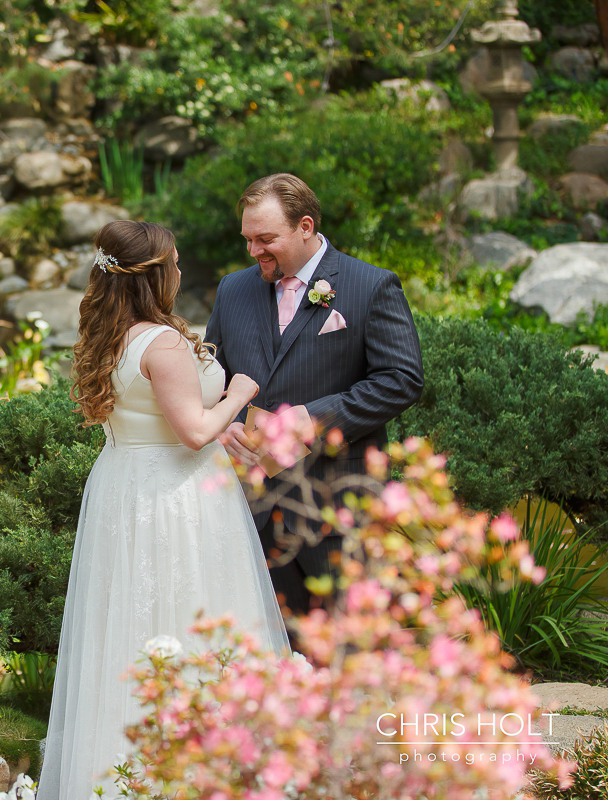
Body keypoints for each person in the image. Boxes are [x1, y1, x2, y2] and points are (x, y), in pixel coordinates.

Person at [37, 220, 289, 800]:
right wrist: (240, 392)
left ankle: (122, 772)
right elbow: (195, 431)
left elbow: (156, 418)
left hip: (126, 486)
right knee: (188, 610)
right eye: (174, 263)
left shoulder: (112, 336)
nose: (180, 271)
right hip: (174, 499)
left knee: (130, 626)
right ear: (156, 276)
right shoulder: (164, 342)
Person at [204, 173, 424, 619]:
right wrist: (223, 428)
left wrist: (312, 418)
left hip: (337, 505)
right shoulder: (233, 290)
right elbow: (214, 379)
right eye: (247, 239)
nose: (254, 251)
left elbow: (401, 379)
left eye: (266, 239)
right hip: (251, 509)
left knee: (348, 654)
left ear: (306, 227)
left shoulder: (372, 286)